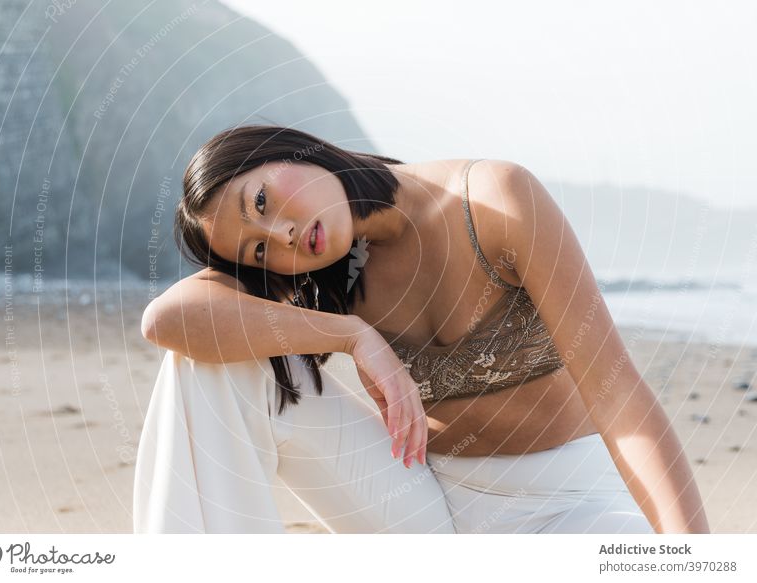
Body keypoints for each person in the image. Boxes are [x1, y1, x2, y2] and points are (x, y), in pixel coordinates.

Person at [134, 124, 709, 534]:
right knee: (207, 365)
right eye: (258, 250)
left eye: (260, 199)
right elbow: (167, 319)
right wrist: (352, 334)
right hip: (421, 501)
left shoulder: (492, 201)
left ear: (289, 148)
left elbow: (621, 400)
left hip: (565, 506)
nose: (281, 234)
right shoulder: (328, 274)